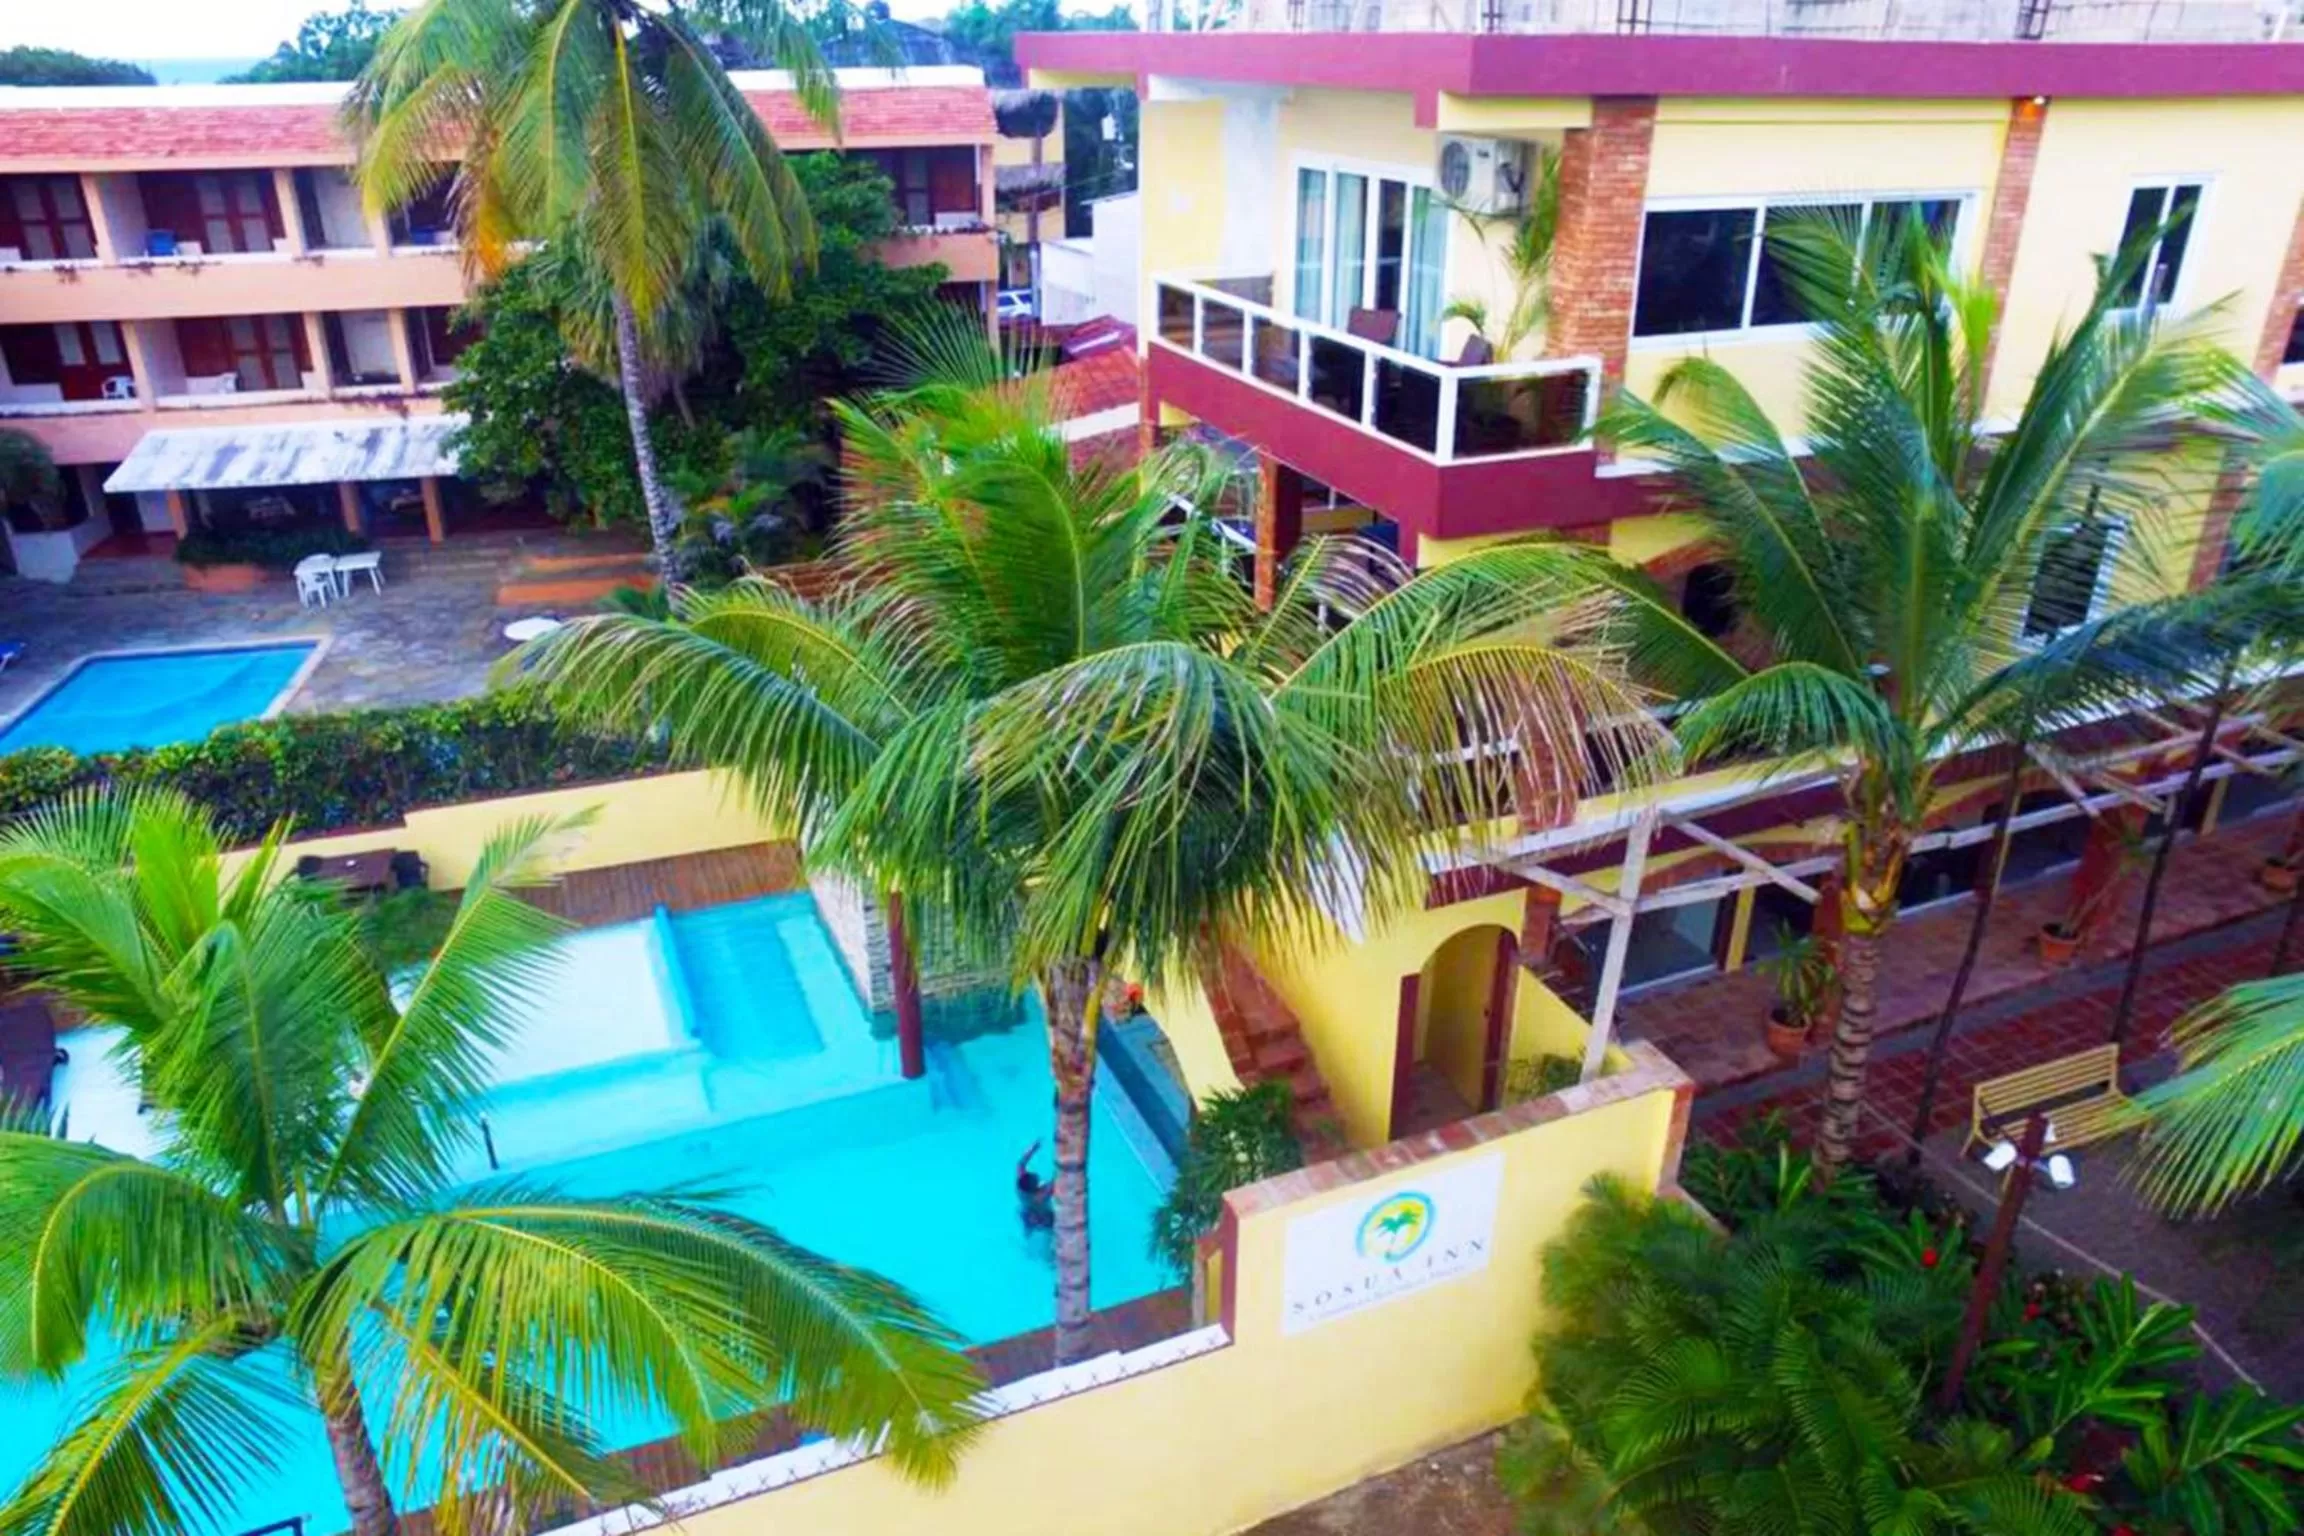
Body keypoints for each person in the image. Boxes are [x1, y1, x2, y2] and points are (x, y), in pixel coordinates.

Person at [1015, 1141, 1055, 1233]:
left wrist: (1032, 1149)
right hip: (1043, 1218)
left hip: (1026, 1214)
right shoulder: (1040, 1196)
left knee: (1028, 1229)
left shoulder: (1021, 1187)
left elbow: (1020, 1164)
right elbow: (1056, 1183)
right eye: (1035, 1180)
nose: (1035, 1176)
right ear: (1034, 1189)